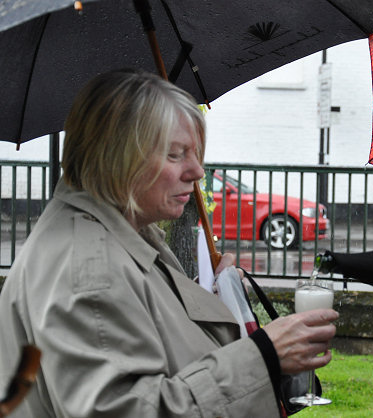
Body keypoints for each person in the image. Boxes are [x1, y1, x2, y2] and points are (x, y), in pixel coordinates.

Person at [0, 69, 338, 417]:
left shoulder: (127, 234)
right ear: (117, 159)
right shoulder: (90, 269)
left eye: (195, 153)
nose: (196, 171)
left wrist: (208, 304)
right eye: (176, 154)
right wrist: (265, 355)